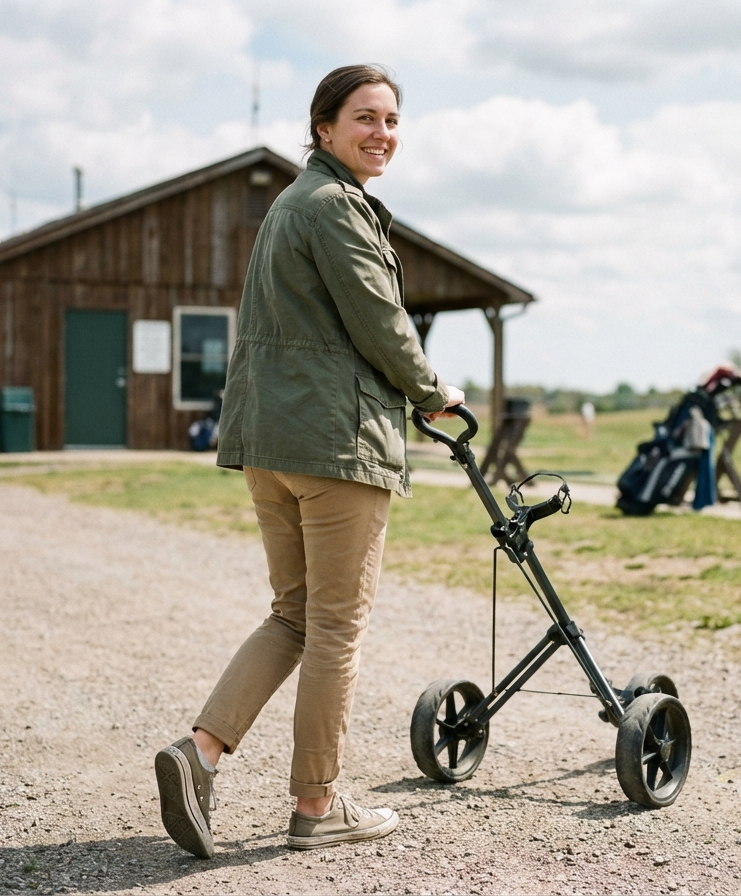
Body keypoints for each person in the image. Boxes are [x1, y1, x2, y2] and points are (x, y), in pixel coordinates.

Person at [153, 64, 464, 858]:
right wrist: (433, 394)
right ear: (323, 127)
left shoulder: (292, 206)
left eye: (393, 121)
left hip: (273, 444)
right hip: (333, 446)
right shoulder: (334, 207)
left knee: (293, 616)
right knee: (334, 630)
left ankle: (200, 755)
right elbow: (381, 322)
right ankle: (318, 805)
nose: (382, 133)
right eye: (365, 118)